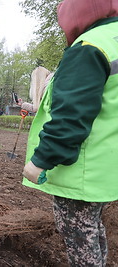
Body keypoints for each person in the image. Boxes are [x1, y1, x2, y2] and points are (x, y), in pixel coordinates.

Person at [22, 1, 118, 265]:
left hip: (82, 168)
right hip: (107, 167)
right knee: (92, 227)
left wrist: (42, 159)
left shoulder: (89, 47)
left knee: (78, 233)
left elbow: (71, 115)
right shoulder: (113, 41)